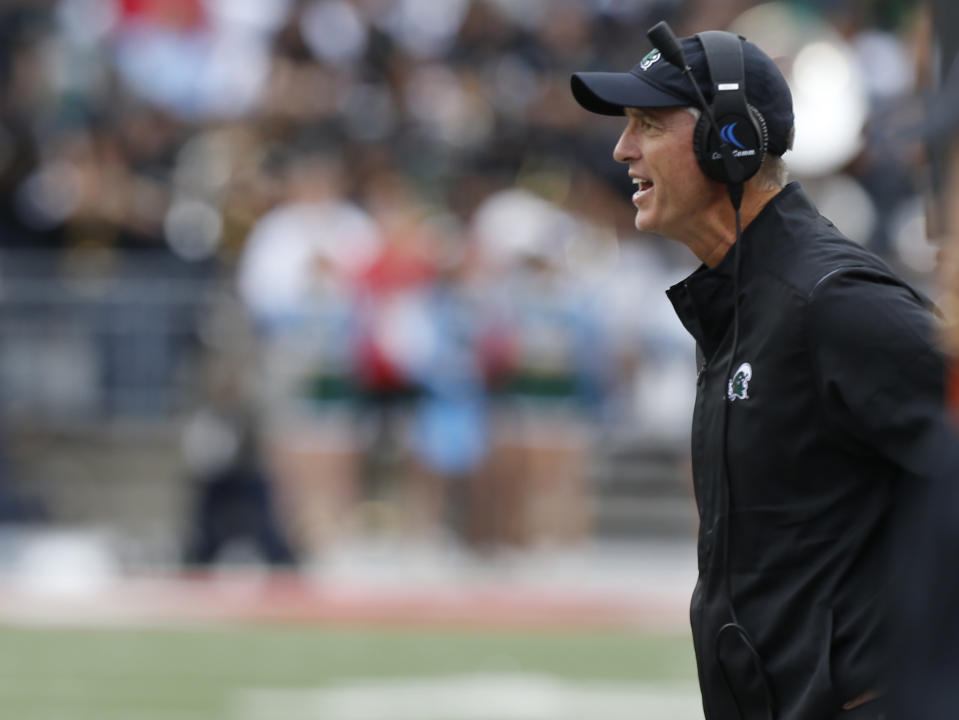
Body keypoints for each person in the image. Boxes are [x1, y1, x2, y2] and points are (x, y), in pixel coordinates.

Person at [570, 22, 958, 720]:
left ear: (730, 143)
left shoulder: (834, 303)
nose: (621, 149)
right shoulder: (738, 297)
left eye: (647, 124)